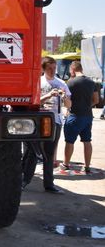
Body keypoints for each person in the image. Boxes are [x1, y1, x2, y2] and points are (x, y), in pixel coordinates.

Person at [22, 56, 71, 194]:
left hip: (55, 121)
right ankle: (24, 180)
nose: (53, 70)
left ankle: (49, 184)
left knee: (49, 154)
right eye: (50, 68)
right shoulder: (38, 82)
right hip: (36, 121)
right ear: (43, 69)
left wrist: (65, 97)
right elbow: (34, 102)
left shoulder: (61, 83)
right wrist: (48, 95)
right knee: (31, 152)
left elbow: (69, 105)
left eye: (54, 68)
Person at [62, 61, 99, 174]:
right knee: (87, 141)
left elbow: (67, 101)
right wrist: (87, 106)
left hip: (74, 116)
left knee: (69, 142)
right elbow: (96, 100)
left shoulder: (70, 82)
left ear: (73, 69)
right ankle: (87, 166)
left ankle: (66, 164)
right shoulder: (92, 82)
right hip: (88, 116)